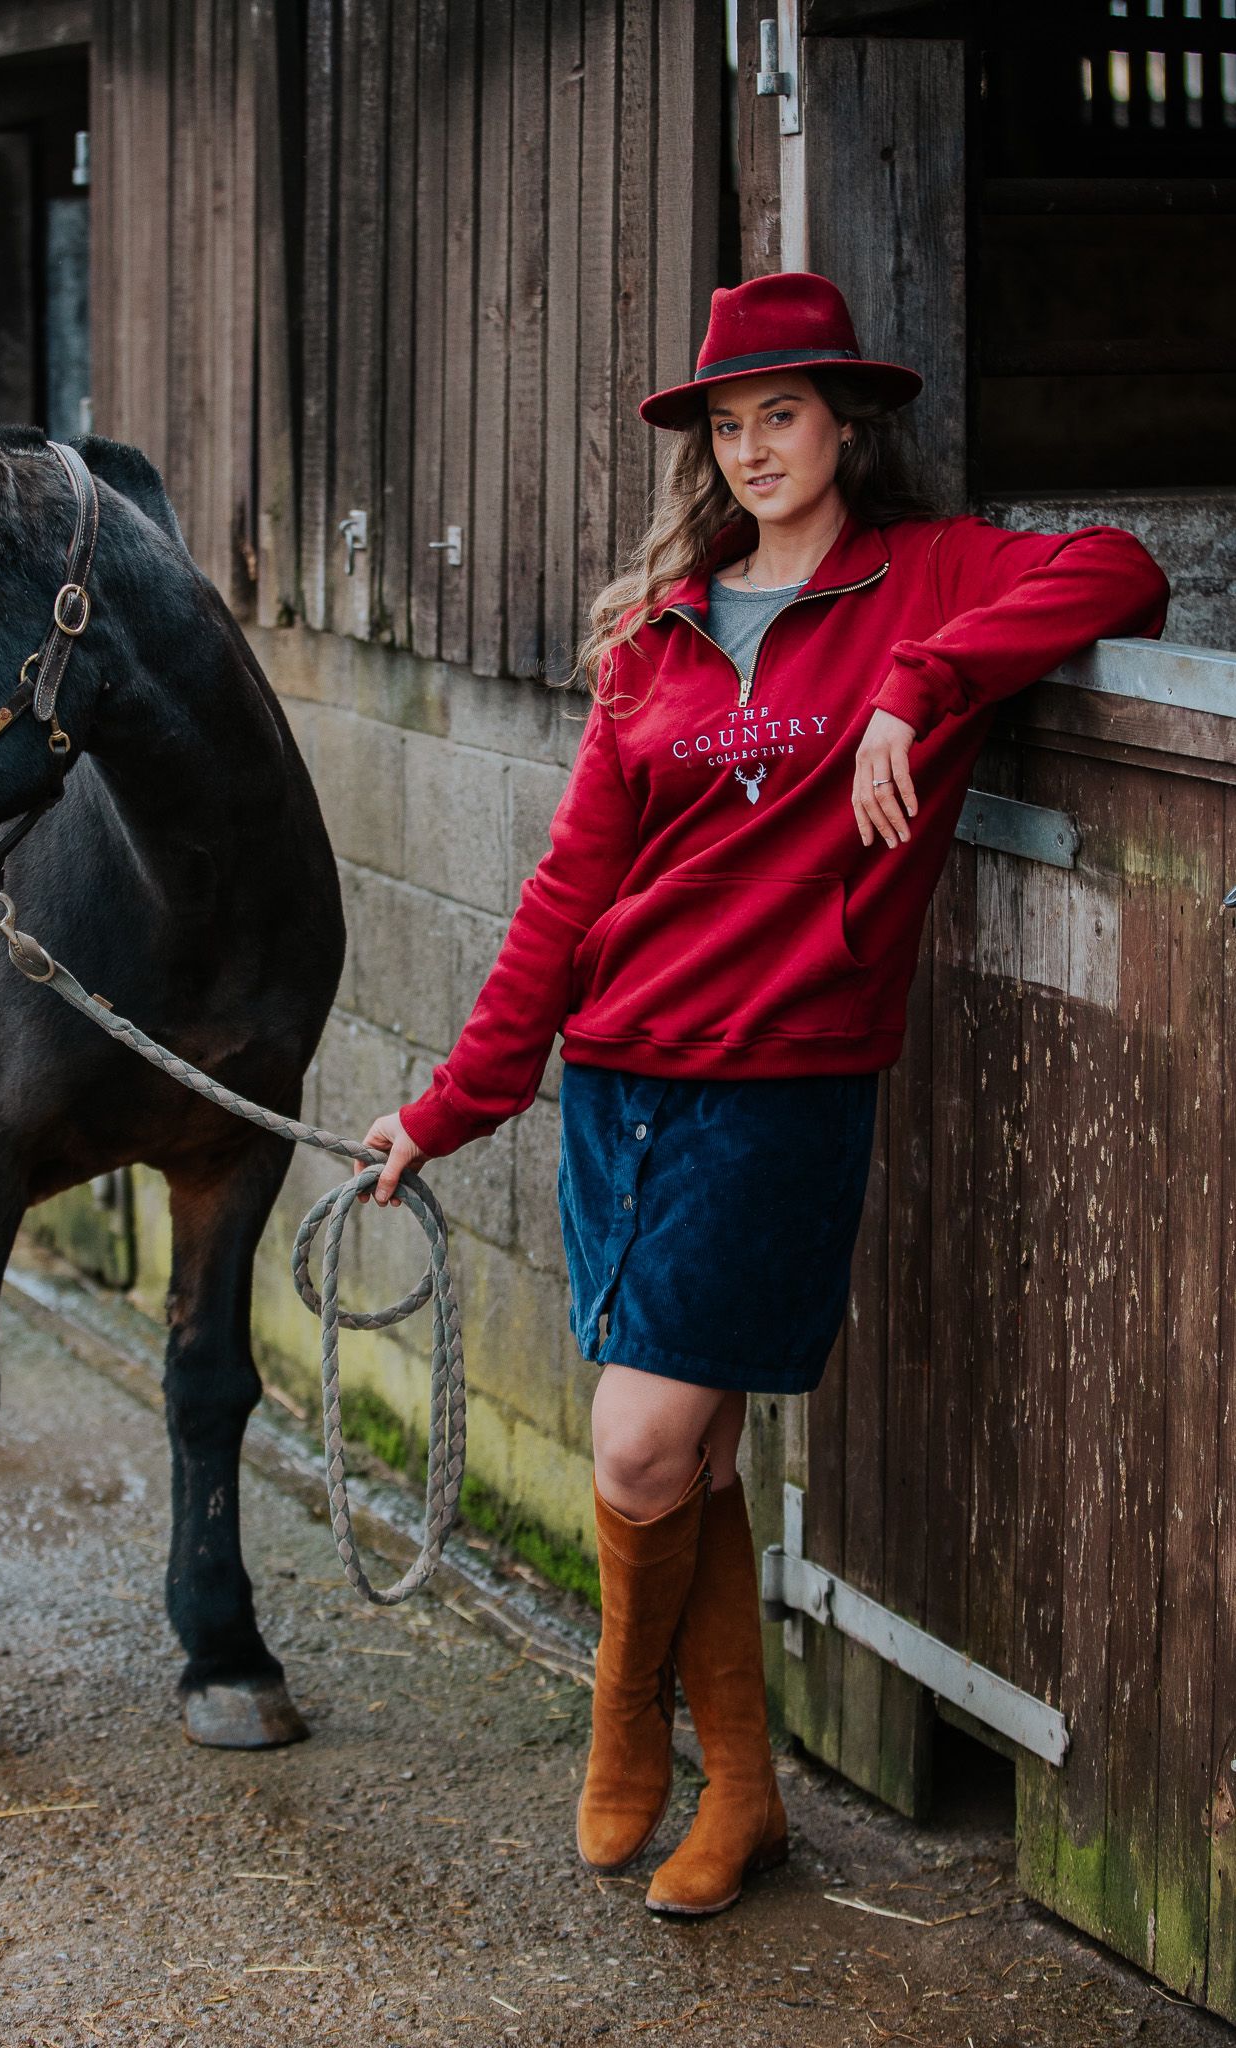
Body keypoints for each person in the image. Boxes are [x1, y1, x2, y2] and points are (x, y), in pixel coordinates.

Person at [353, 271, 1170, 1917]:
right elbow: (565, 900)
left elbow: (1121, 571)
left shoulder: (923, 575)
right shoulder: (654, 638)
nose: (751, 452)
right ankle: (742, 1793)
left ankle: (620, 1718)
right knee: (692, 1459)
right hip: (619, 1086)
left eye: (778, 416)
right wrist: (449, 1103)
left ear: (844, 422)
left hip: (780, 1088)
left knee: (641, 1443)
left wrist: (919, 685)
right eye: (726, 428)